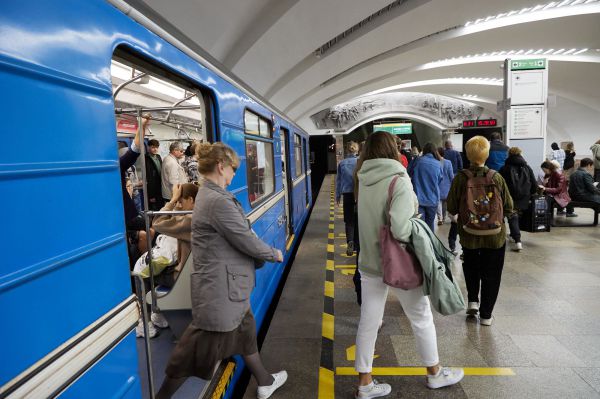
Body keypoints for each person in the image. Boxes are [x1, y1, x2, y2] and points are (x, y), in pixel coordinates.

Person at [156, 143, 286, 399]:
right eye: (233, 169)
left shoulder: (208, 195)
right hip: (220, 293)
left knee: (246, 331)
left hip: (230, 289)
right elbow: (243, 238)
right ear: (220, 166)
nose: (234, 175)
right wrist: (274, 254)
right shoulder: (217, 201)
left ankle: (264, 380)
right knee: (191, 354)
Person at [354, 131, 463, 397]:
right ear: (394, 149)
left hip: (368, 262)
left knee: (369, 322)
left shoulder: (362, 178)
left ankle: (365, 383)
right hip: (397, 262)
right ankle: (435, 373)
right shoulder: (398, 180)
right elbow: (401, 229)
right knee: (421, 317)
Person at [447, 136, 514, 326]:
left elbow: (451, 207)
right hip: (494, 236)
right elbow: (509, 206)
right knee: (492, 273)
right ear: (487, 154)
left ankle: (473, 301)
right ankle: (486, 315)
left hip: (469, 234)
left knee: (471, 267)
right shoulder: (496, 177)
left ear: (468, 154)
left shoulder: (461, 177)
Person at [499, 147, 537, 251]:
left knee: (513, 217)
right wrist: (531, 194)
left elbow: (499, 185)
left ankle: (518, 240)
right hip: (524, 197)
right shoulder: (527, 167)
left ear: (509, 154)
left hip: (510, 197)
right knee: (516, 217)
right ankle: (513, 236)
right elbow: (534, 183)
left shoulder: (504, 168)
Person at [410, 142, 443, 231]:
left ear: (424, 151)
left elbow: (408, 174)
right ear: (434, 151)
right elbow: (440, 180)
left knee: (420, 227)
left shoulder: (417, 161)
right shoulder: (438, 164)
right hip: (433, 200)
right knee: (430, 225)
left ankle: (422, 244)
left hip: (418, 199)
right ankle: (431, 243)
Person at [336, 141, 359, 256]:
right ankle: (358, 244)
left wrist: (337, 196)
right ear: (356, 150)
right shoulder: (360, 162)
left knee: (349, 221)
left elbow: (339, 181)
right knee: (358, 219)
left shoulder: (342, 163)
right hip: (359, 195)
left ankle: (350, 242)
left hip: (347, 195)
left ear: (347, 150)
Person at [436, 147, 454, 225]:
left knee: (438, 202)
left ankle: (440, 218)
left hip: (437, 185)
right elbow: (451, 175)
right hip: (447, 186)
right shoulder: (448, 162)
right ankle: (443, 218)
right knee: (444, 204)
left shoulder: (435, 162)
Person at [146, 139, 164, 211]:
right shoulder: (146, 158)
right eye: (153, 147)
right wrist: (151, 195)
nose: (155, 149)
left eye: (156, 147)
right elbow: (149, 177)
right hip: (152, 188)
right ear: (148, 147)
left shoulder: (158, 157)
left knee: (161, 207)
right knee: (154, 209)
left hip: (160, 186)